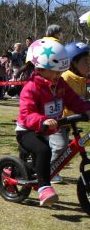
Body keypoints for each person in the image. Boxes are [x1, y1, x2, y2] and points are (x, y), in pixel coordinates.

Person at [17, 39, 90, 206]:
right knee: (44, 151)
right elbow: (27, 114)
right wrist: (43, 120)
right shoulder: (31, 88)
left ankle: (31, 171)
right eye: (55, 72)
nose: (58, 76)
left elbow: (72, 99)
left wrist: (85, 109)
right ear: (40, 69)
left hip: (47, 128)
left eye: (60, 72)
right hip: (27, 130)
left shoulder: (59, 84)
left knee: (42, 158)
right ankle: (44, 188)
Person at [50, 42, 90, 183]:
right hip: (59, 121)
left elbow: (84, 97)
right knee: (60, 146)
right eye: (85, 62)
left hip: (70, 121)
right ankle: (50, 170)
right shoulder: (66, 78)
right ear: (73, 63)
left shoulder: (82, 79)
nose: (89, 64)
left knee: (67, 149)